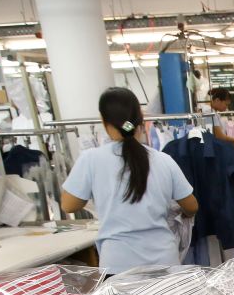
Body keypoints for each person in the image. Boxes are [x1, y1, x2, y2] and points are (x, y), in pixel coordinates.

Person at [61, 87, 199, 274]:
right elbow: (191, 206)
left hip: (118, 264)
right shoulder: (163, 160)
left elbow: (69, 205)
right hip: (164, 262)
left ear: (104, 120)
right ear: (140, 119)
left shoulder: (91, 159)